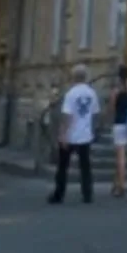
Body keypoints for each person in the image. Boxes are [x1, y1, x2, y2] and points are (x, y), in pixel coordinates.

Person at [49, 64, 99, 204]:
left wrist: (63, 134)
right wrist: (93, 130)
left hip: (71, 135)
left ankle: (59, 194)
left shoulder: (71, 94)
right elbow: (95, 113)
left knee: (63, 166)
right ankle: (87, 194)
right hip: (85, 135)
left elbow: (67, 116)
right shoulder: (92, 93)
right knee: (85, 167)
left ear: (74, 77)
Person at [110, 64, 127, 198]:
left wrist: (106, 119)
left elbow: (112, 108)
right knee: (122, 154)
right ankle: (116, 183)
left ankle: (121, 185)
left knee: (120, 157)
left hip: (119, 124)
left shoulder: (116, 91)